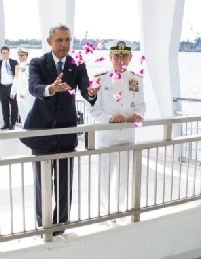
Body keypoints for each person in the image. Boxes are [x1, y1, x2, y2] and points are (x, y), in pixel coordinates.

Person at [22, 24, 99, 236]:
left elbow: (85, 88)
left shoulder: (77, 65)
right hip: (41, 134)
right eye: (59, 40)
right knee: (42, 183)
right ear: (49, 41)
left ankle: (61, 224)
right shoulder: (38, 63)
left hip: (66, 132)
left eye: (67, 40)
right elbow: (33, 87)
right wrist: (51, 89)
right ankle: (43, 225)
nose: (64, 45)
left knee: (65, 184)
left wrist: (91, 92)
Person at [88, 40, 146, 216]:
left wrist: (138, 116)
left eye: (124, 55)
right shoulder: (99, 78)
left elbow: (141, 105)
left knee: (123, 176)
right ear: (110, 57)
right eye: (117, 55)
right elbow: (93, 109)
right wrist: (110, 118)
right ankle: (102, 212)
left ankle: (120, 209)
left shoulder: (136, 79)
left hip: (127, 136)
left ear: (130, 57)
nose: (121, 59)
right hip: (106, 137)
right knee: (103, 177)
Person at [0, 46, 18, 130]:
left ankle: (12, 124)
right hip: (2, 88)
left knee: (14, 106)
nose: (5, 54)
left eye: (6, 52)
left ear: (9, 53)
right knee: (4, 107)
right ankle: (6, 124)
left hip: (12, 87)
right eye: (3, 53)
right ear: (1, 54)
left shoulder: (14, 62)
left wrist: (16, 88)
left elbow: (17, 76)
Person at [10, 48, 35, 125]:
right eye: (19, 55)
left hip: (27, 96)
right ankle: (25, 130)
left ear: (27, 56)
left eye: (23, 55)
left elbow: (30, 82)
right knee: (22, 114)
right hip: (19, 96)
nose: (21, 57)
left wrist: (24, 94)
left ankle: (31, 132)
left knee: (29, 114)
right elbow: (15, 80)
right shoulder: (17, 67)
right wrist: (13, 92)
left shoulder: (30, 66)